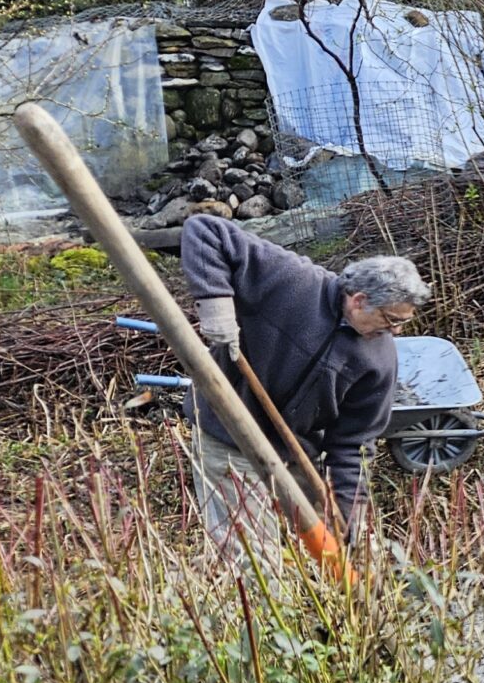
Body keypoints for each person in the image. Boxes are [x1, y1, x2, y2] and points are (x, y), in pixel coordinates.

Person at [179, 210, 427, 548]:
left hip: (295, 448)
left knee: (328, 540)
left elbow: (354, 442)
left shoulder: (379, 360)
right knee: (250, 554)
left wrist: (348, 508)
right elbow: (205, 229)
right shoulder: (292, 281)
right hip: (228, 431)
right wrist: (216, 305)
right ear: (359, 300)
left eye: (402, 323)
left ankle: (335, 593)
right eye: (391, 319)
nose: (396, 331)